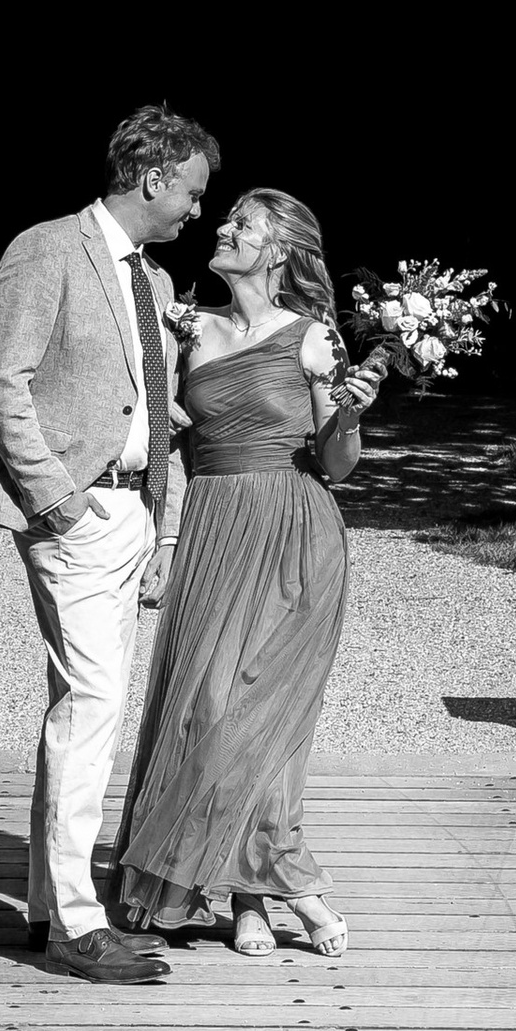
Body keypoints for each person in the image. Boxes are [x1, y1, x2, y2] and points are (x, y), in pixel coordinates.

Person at [0, 106, 217, 986]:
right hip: (75, 511)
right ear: (153, 178)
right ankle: (75, 923)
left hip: (132, 512)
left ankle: (47, 906)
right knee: (92, 706)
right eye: (191, 192)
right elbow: (3, 384)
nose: (197, 211)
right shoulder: (46, 249)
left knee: (86, 707)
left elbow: (152, 406)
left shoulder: (157, 280)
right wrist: (57, 501)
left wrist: (162, 523)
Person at [114, 187, 380, 958]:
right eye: (227, 219)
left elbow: (338, 465)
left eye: (243, 225)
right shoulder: (188, 329)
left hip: (295, 533)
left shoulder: (315, 338)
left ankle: (268, 890)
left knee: (259, 719)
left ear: (281, 251)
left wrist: (349, 415)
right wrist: (165, 541)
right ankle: (263, 892)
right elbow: (167, 447)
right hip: (212, 531)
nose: (223, 229)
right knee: (205, 712)